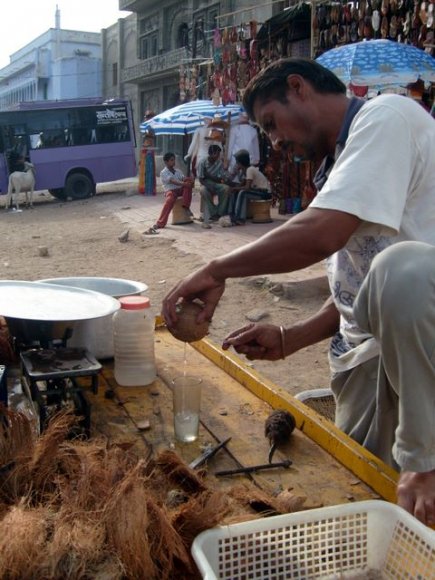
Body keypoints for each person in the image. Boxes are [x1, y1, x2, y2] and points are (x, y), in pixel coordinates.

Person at [162, 58, 435, 525]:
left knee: (402, 268)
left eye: (270, 124)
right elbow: (357, 287)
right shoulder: (337, 165)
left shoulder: (387, 115)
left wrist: (217, 269)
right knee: (367, 508)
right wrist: (290, 338)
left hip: (419, 357)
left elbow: (325, 235)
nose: (274, 142)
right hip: (366, 365)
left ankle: (426, 460)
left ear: (299, 87)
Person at [145, 152, 194, 234]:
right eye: (171, 160)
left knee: (188, 182)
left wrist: (190, 179)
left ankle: (186, 207)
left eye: (174, 160)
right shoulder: (163, 172)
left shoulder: (178, 171)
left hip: (180, 190)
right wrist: (184, 183)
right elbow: (172, 181)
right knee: (169, 200)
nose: (174, 162)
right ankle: (160, 223)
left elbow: (183, 178)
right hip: (170, 191)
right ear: (166, 162)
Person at [230, 149, 271, 225]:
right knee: (238, 191)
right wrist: (235, 188)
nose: (236, 164)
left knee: (243, 193)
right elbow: (241, 184)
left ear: (240, 163)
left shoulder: (250, 170)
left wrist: (235, 188)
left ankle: (240, 218)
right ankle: (233, 214)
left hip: (264, 192)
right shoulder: (247, 170)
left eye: (237, 162)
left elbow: (247, 187)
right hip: (259, 191)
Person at [196, 144, 231, 229]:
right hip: (205, 183)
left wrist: (209, 176)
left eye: (219, 154)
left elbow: (221, 179)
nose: (218, 156)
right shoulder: (202, 162)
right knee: (203, 190)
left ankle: (219, 212)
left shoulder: (219, 162)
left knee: (226, 188)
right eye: (217, 154)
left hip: (215, 183)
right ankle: (213, 213)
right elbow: (201, 179)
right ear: (211, 154)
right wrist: (208, 184)